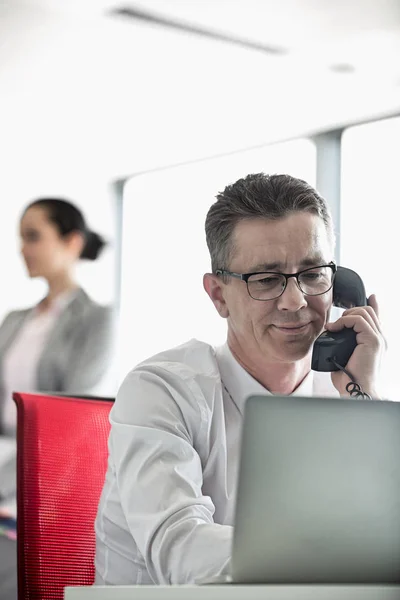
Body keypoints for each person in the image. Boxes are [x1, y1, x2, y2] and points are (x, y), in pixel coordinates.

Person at [94, 173, 385, 586]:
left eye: (313, 273)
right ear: (218, 295)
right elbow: (180, 551)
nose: (295, 301)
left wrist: (364, 399)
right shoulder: (162, 390)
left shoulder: (345, 392)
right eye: (266, 280)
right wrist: (340, 555)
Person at [0, 197, 115, 437]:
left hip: (48, 455)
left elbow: (79, 406)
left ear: (72, 242)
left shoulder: (97, 319)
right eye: (21, 238)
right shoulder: (13, 320)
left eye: (32, 237)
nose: (22, 249)